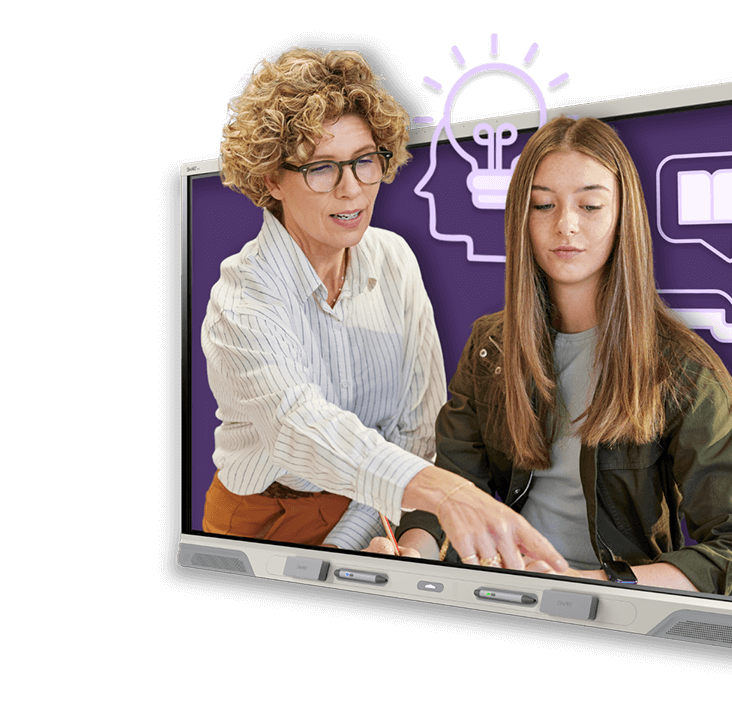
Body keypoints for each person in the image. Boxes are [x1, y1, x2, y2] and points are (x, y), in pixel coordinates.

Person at [384, 116, 732, 597]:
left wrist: (584, 585)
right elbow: (449, 490)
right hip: (497, 595)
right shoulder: (490, 347)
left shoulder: (680, 368)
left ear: (623, 217)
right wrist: (410, 554)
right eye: (543, 204)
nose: (566, 224)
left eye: (590, 204)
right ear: (521, 218)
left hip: (613, 608)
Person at [202, 47, 567, 573]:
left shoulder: (394, 260)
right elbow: (297, 428)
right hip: (259, 519)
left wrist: (353, 540)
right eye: (322, 167)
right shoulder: (241, 296)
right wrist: (445, 493)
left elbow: (417, 429)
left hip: (376, 513)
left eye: (364, 160)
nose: (352, 188)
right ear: (269, 181)